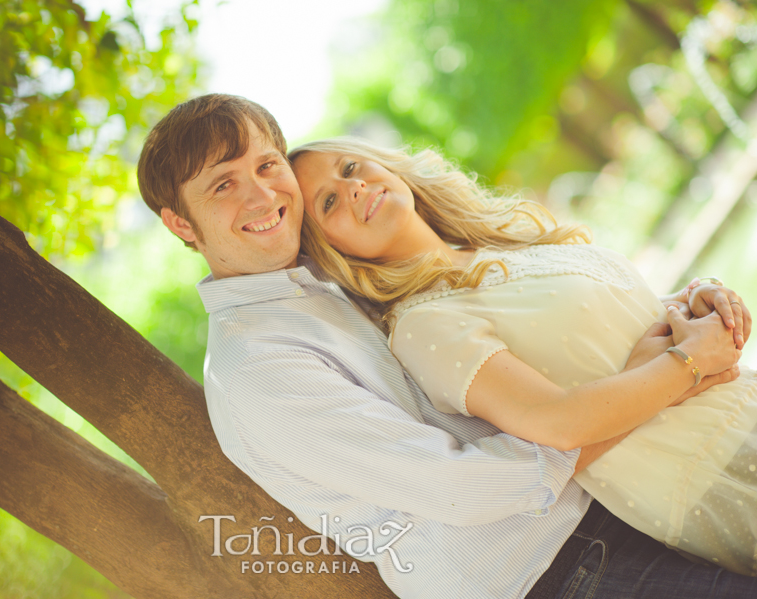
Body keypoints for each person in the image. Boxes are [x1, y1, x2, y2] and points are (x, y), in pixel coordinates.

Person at [137, 93, 755, 599]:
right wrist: (667, 377)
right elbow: (456, 487)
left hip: (615, 514)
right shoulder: (256, 368)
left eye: (266, 166)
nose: (262, 195)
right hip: (556, 577)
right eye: (223, 185)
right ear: (180, 224)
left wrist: (680, 314)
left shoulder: (326, 280)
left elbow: (550, 335)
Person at [289, 135, 757, 577]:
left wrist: (696, 297)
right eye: (328, 202)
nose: (353, 188)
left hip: (743, 404)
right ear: (333, 254)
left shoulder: (499, 235)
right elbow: (557, 424)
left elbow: (622, 326)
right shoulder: (422, 325)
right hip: (707, 473)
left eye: (350, 167)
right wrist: (690, 362)